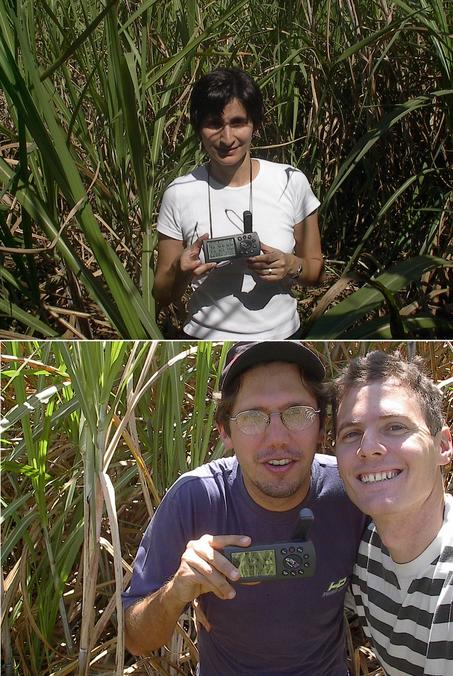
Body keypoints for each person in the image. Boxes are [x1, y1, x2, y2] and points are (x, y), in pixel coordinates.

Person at [123, 342, 365, 675]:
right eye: (253, 418)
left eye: (297, 414)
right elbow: (136, 639)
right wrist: (176, 591)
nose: (277, 438)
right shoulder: (196, 498)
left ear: (322, 427)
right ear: (226, 431)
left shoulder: (353, 491)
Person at [153, 68, 323, 339]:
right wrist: (180, 270)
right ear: (198, 127)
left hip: (282, 337)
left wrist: (291, 266)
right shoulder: (179, 193)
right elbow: (161, 294)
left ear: (254, 124)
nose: (227, 138)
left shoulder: (291, 182)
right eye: (214, 123)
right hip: (202, 337)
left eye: (238, 122)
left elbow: (315, 271)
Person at [334, 350, 453, 676]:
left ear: (443, 446)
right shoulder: (361, 547)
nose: (368, 447)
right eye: (351, 434)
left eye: (396, 427)